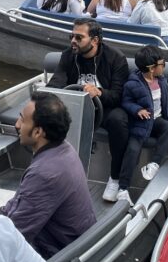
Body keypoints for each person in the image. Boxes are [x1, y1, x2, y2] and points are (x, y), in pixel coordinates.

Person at [0, 91, 96, 257]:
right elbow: (19, 201)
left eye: (22, 119)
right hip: (73, 242)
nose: (17, 124)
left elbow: (15, 235)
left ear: (38, 132)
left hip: (60, 254)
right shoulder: (63, 149)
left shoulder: (45, 173)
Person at [47, 19, 130, 201]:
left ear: (95, 40)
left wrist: (99, 92)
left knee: (119, 120)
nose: (73, 41)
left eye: (79, 37)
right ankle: (51, 172)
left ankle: (115, 178)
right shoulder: (68, 55)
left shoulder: (115, 58)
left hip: (105, 108)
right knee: (48, 112)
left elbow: (118, 96)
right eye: (71, 36)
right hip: (75, 106)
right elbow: (56, 82)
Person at [120, 45, 168, 198]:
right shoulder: (133, 84)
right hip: (140, 124)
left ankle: (154, 164)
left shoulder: (162, 81)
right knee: (132, 150)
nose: (164, 66)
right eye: (163, 64)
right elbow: (126, 102)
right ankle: (123, 189)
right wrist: (137, 110)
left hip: (156, 120)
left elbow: (166, 104)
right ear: (151, 68)